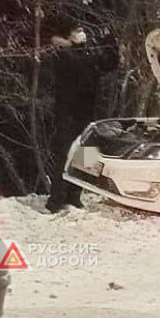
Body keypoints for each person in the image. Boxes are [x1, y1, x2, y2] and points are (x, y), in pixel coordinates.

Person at [46, 21, 119, 213]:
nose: (82, 34)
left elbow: (109, 64)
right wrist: (88, 50)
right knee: (65, 155)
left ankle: (75, 196)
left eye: (82, 30)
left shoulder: (85, 53)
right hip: (67, 113)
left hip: (87, 112)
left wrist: (110, 42)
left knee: (86, 155)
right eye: (77, 31)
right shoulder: (61, 54)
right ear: (68, 35)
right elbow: (81, 65)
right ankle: (56, 199)